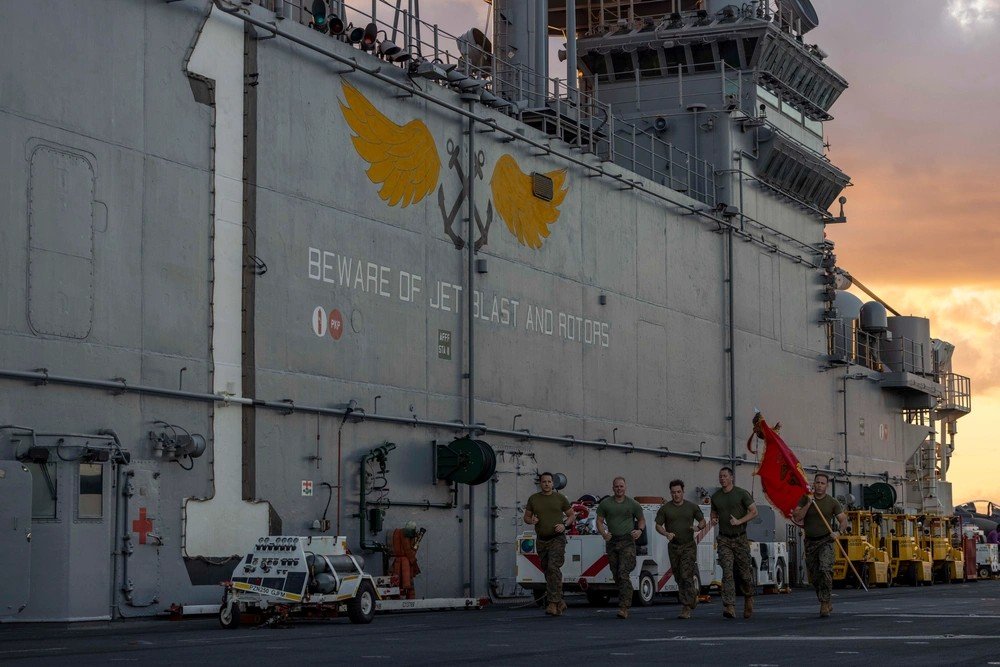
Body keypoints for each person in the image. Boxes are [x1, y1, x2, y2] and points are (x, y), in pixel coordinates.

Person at [792, 473, 849, 618]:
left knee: (825, 569)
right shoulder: (805, 499)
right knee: (815, 576)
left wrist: (839, 532)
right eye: (817, 482)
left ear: (827, 486)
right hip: (810, 542)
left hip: (826, 541)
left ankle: (824, 603)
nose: (819, 485)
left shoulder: (832, 502)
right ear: (814, 484)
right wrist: (809, 504)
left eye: (822, 483)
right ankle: (825, 599)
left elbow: (843, 520)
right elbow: (797, 517)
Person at [524, 472, 576, 616]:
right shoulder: (533, 499)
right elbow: (526, 517)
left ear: (553, 483)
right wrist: (531, 520)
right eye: (544, 481)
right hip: (542, 539)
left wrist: (564, 525)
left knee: (553, 567)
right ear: (540, 483)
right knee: (547, 570)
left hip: (557, 538)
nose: (546, 484)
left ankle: (552, 604)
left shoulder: (560, 498)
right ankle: (560, 602)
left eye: (549, 481)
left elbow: (571, 515)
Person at [710, 466, 758, 619]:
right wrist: (713, 519)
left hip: (740, 538)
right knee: (727, 571)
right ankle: (729, 606)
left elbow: (754, 511)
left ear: (731, 478)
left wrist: (739, 521)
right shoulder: (716, 496)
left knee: (744, 573)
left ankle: (748, 597)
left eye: (724, 476)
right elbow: (714, 512)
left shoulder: (741, 493)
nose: (722, 478)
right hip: (724, 539)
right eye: (720, 476)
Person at [654, 479, 706, 619]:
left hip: (688, 546)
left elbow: (702, 521)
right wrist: (666, 533)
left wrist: (698, 527)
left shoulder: (692, 507)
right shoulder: (665, 509)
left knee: (685, 574)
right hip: (674, 546)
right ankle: (692, 596)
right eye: (673, 492)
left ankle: (686, 606)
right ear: (670, 493)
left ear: (683, 492)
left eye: (678, 492)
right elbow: (657, 525)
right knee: (678, 577)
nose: (676, 495)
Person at [596, 477, 645, 619]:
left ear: (625, 487)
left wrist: (639, 530)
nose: (619, 489)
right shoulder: (606, 504)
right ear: (613, 488)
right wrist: (604, 534)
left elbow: (641, 519)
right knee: (616, 574)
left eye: (621, 486)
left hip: (627, 541)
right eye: (616, 486)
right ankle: (626, 593)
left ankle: (624, 607)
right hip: (612, 541)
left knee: (623, 573)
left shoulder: (633, 504)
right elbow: (599, 521)